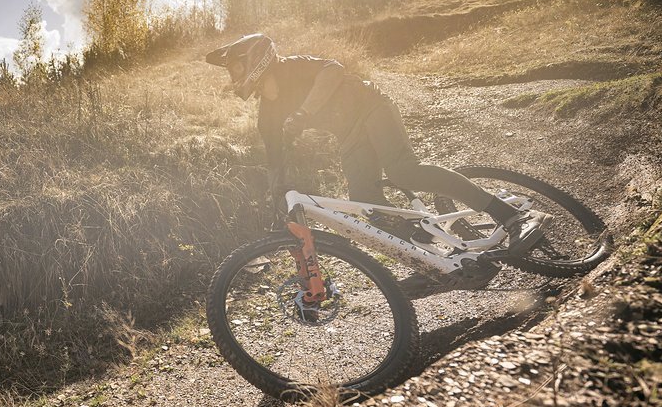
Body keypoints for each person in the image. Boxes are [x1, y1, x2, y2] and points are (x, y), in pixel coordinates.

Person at [206, 33, 551, 251]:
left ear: (255, 58)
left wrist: (305, 112)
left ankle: (511, 217)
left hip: (372, 107)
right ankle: (431, 256)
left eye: (235, 68)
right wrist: (275, 199)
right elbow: (274, 159)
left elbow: (333, 69)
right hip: (350, 135)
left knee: (405, 172)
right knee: (367, 204)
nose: (233, 77)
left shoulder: (292, 67)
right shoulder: (268, 112)